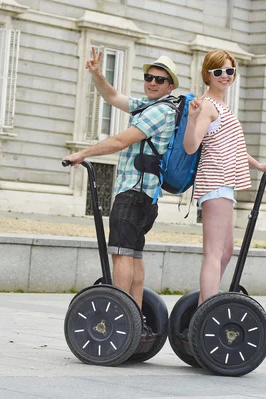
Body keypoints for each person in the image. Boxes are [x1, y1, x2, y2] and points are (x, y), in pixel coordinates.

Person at [62, 48, 179, 336]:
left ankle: (118, 321)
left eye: (160, 80)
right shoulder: (150, 106)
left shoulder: (160, 112)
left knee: (121, 257)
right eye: (149, 77)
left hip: (133, 193)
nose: (152, 83)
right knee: (133, 256)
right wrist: (97, 74)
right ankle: (135, 324)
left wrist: (83, 153)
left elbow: (120, 140)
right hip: (145, 197)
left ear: (170, 86)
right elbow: (113, 97)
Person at [184, 50, 266, 306]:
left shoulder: (223, 106)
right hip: (214, 183)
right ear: (207, 75)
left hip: (226, 184)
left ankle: (205, 306)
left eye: (229, 71)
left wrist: (257, 165)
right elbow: (191, 146)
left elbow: (232, 143)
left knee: (225, 252)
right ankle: (206, 312)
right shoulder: (208, 107)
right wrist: (192, 119)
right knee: (214, 253)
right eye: (218, 72)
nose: (225, 76)